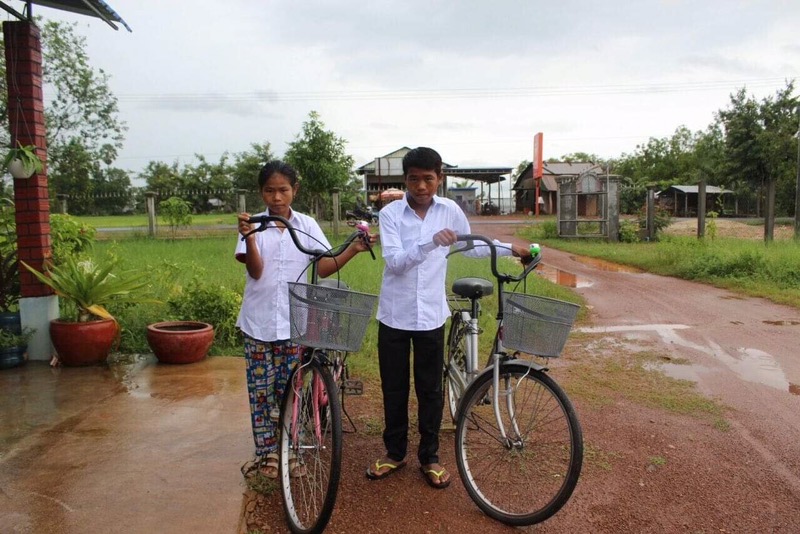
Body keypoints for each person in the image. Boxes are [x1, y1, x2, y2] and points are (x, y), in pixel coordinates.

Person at [366, 147, 533, 489]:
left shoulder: (450, 210)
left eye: (428, 179)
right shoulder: (391, 215)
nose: (421, 186)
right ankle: (394, 453)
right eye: (414, 179)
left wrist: (508, 247)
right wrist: (429, 243)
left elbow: (471, 246)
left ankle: (429, 456)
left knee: (430, 389)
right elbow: (395, 262)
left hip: (430, 315)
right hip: (394, 315)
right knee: (394, 388)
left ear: (439, 178)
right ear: (406, 179)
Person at [235, 160, 375, 479]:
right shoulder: (252, 225)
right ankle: (266, 453)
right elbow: (255, 271)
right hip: (257, 321)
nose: (277, 197)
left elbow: (322, 267)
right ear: (261, 192)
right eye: (269, 191)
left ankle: (289, 449)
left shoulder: (307, 225)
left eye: (283, 190)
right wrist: (250, 238)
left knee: (290, 389)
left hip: (293, 322)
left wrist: (352, 250)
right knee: (261, 390)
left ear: (294, 190)